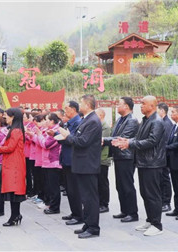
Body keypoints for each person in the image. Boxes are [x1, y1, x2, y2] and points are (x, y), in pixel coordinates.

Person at [113, 95, 166, 236]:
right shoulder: (145, 120)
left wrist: (130, 143)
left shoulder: (157, 122)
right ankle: (150, 220)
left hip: (153, 163)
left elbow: (151, 141)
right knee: (145, 193)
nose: (140, 106)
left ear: (152, 106)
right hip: (143, 162)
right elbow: (139, 139)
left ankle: (157, 225)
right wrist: (128, 140)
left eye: (143, 103)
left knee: (153, 194)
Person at [58, 94, 102, 239]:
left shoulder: (93, 121)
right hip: (83, 164)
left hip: (88, 164)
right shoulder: (87, 119)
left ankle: (93, 228)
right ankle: (88, 224)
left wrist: (66, 135)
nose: (80, 106)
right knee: (85, 197)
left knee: (90, 197)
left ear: (87, 105)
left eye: (82, 103)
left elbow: (82, 141)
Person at [102, 97, 139, 222]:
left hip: (126, 156)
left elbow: (122, 138)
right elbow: (114, 136)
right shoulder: (120, 119)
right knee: (120, 185)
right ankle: (125, 210)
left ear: (127, 107)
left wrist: (103, 140)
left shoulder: (132, 120)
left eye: (119, 104)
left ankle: (133, 213)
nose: (117, 106)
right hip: (119, 156)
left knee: (127, 185)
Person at [0, 108, 26, 227]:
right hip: (13, 163)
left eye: (7, 116)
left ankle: (15, 216)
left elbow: (11, 147)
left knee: (14, 190)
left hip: (14, 165)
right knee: (13, 191)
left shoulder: (16, 131)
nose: (5, 118)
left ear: (13, 117)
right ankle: (15, 215)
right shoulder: (15, 130)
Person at [56, 101, 83, 226]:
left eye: (66, 108)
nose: (64, 111)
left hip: (73, 159)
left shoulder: (78, 123)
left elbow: (74, 140)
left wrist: (64, 137)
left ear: (73, 109)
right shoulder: (69, 123)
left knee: (75, 189)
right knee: (69, 188)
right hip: (66, 158)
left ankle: (78, 215)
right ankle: (74, 212)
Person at [157, 102, 173, 212]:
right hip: (161, 156)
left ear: (162, 111)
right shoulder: (162, 122)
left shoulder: (166, 124)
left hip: (165, 156)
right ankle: (162, 201)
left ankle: (166, 202)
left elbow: (165, 142)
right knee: (161, 179)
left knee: (165, 179)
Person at [96, 108, 112, 214]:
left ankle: (104, 204)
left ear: (101, 115)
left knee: (103, 182)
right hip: (97, 158)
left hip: (103, 158)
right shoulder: (98, 126)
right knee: (98, 182)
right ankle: (99, 202)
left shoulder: (105, 126)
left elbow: (101, 142)